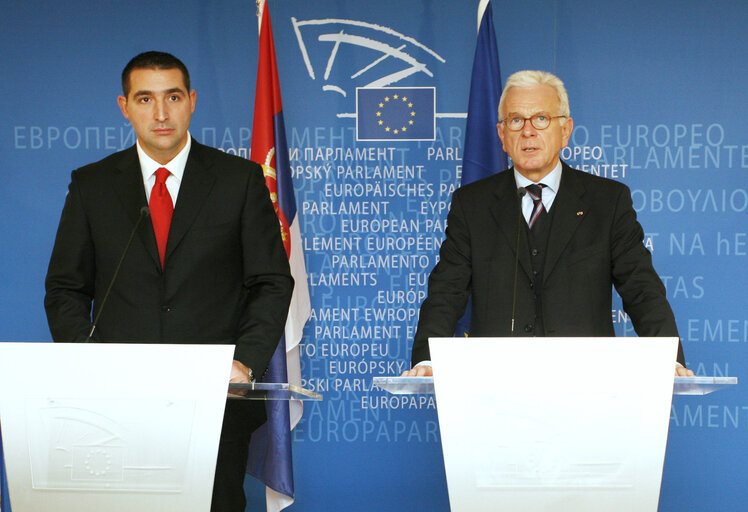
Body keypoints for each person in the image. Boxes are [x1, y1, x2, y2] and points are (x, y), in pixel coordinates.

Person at [44, 51, 294, 511]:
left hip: (216, 399)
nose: (160, 113)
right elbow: (65, 288)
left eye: (172, 97)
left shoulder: (239, 180)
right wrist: (89, 362)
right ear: (124, 106)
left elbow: (272, 281)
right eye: (145, 99)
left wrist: (246, 363)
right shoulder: (92, 185)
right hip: (117, 403)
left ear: (192, 101)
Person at [403, 70, 693, 377]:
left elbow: (641, 288)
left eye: (541, 118)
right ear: (502, 135)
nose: (528, 131)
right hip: (494, 387)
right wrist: (427, 359)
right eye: (516, 120)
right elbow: (447, 291)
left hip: (586, 384)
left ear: (565, 130)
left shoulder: (607, 201)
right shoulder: (471, 204)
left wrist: (667, 357)